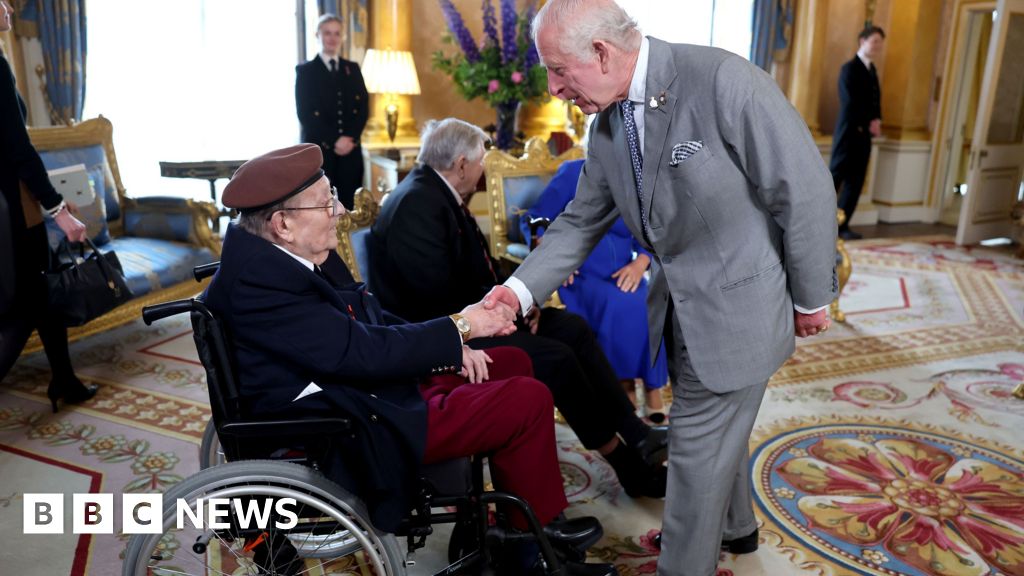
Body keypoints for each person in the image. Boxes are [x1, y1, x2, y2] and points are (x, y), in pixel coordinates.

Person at [479, 2, 839, 575]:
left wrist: (812, 295)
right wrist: (516, 294)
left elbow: (805, 188)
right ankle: (739, 530)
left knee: (695, 459)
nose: (554, 88)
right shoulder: (605, 126)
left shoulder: (723, 81)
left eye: (559, 70)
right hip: (676, 308)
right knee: (720, 430)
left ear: (601, 51)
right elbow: (578, 222)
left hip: (740, 306)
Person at [205, 143, 615, 576]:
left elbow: (367, 318)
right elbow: (359, 350)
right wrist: (460, 327)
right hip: (346, 425)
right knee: (526, 399)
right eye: (327, 202)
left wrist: (449, 346)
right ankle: (530, 556)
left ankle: (525, 528)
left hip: (359, 390)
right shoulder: (264, 285)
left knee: (510, 363)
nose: (340, 211)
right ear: (282, 223)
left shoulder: (281, 257)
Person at [368, 118, 669, 500]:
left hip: (474, 318)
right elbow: (433, 300)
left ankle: (637, 434)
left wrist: (522, 302)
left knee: (572, 328)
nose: (482, 173)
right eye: (480, 163)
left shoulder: (434, 194)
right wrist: (500, 317)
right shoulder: (416, 204)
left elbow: (477, 274)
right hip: (442, 340)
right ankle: (625, 462)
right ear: (461, 164)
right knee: (556, 358)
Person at [0, 0, 96, 411]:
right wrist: (59, 210)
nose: (7, 7)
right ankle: (65, 381)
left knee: (40, 294)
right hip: (13, 207)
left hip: (7, 207)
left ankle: (65, 380)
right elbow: (19, 150)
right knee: (25, 305)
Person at [522, 158, 669, 421]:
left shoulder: (635, 173)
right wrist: (548, 251)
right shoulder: (573, 171)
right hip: (580, 273)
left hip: (624, 270)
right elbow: (535, 220)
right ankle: (623, 387)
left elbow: (649, 230)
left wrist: (641, 262)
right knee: (620, 305)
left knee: (649, 300)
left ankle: (651, 387)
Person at [295, 13, 369, 210]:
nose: (332, 38)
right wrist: (335, 140)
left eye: (337, 33)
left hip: (350, 154)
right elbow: (305, 114)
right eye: (327, 33)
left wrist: (350, 138)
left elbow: (363, 108)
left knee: (349, 208)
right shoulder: (306, 72)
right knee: (320, 208)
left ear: (342, 37)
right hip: (319, 153)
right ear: (317, 35)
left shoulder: (352, 69)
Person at [831, 25, 884, 241]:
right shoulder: (849, 69)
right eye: (875, 41)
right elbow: (849, 103)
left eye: (880, 42)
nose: (878, 46)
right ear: (862, 41)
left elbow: (875, 100)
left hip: (864, 137)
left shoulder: (872, 70)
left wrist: (877, 120)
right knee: (835, 178)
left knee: (856, 181)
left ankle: (841, 225)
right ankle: (817, 223)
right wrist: (867, 122)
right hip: (848, 134)